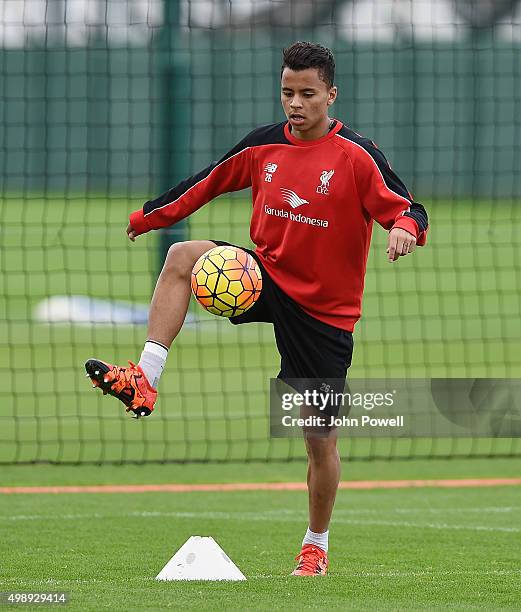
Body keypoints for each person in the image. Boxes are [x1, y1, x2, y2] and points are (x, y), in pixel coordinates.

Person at [85, 41, 428, 576]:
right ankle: (145, 376)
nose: (295, 103)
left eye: (307, 94)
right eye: (288, 92)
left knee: (319, 440)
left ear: (331, 95)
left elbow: (406, 207)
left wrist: (405, 231)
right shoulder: (264, 146)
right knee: (181, 256)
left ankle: (316, 543)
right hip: (263, 276)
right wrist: (150, 216)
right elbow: (205, 183)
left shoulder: (357, 156)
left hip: (324, 314)